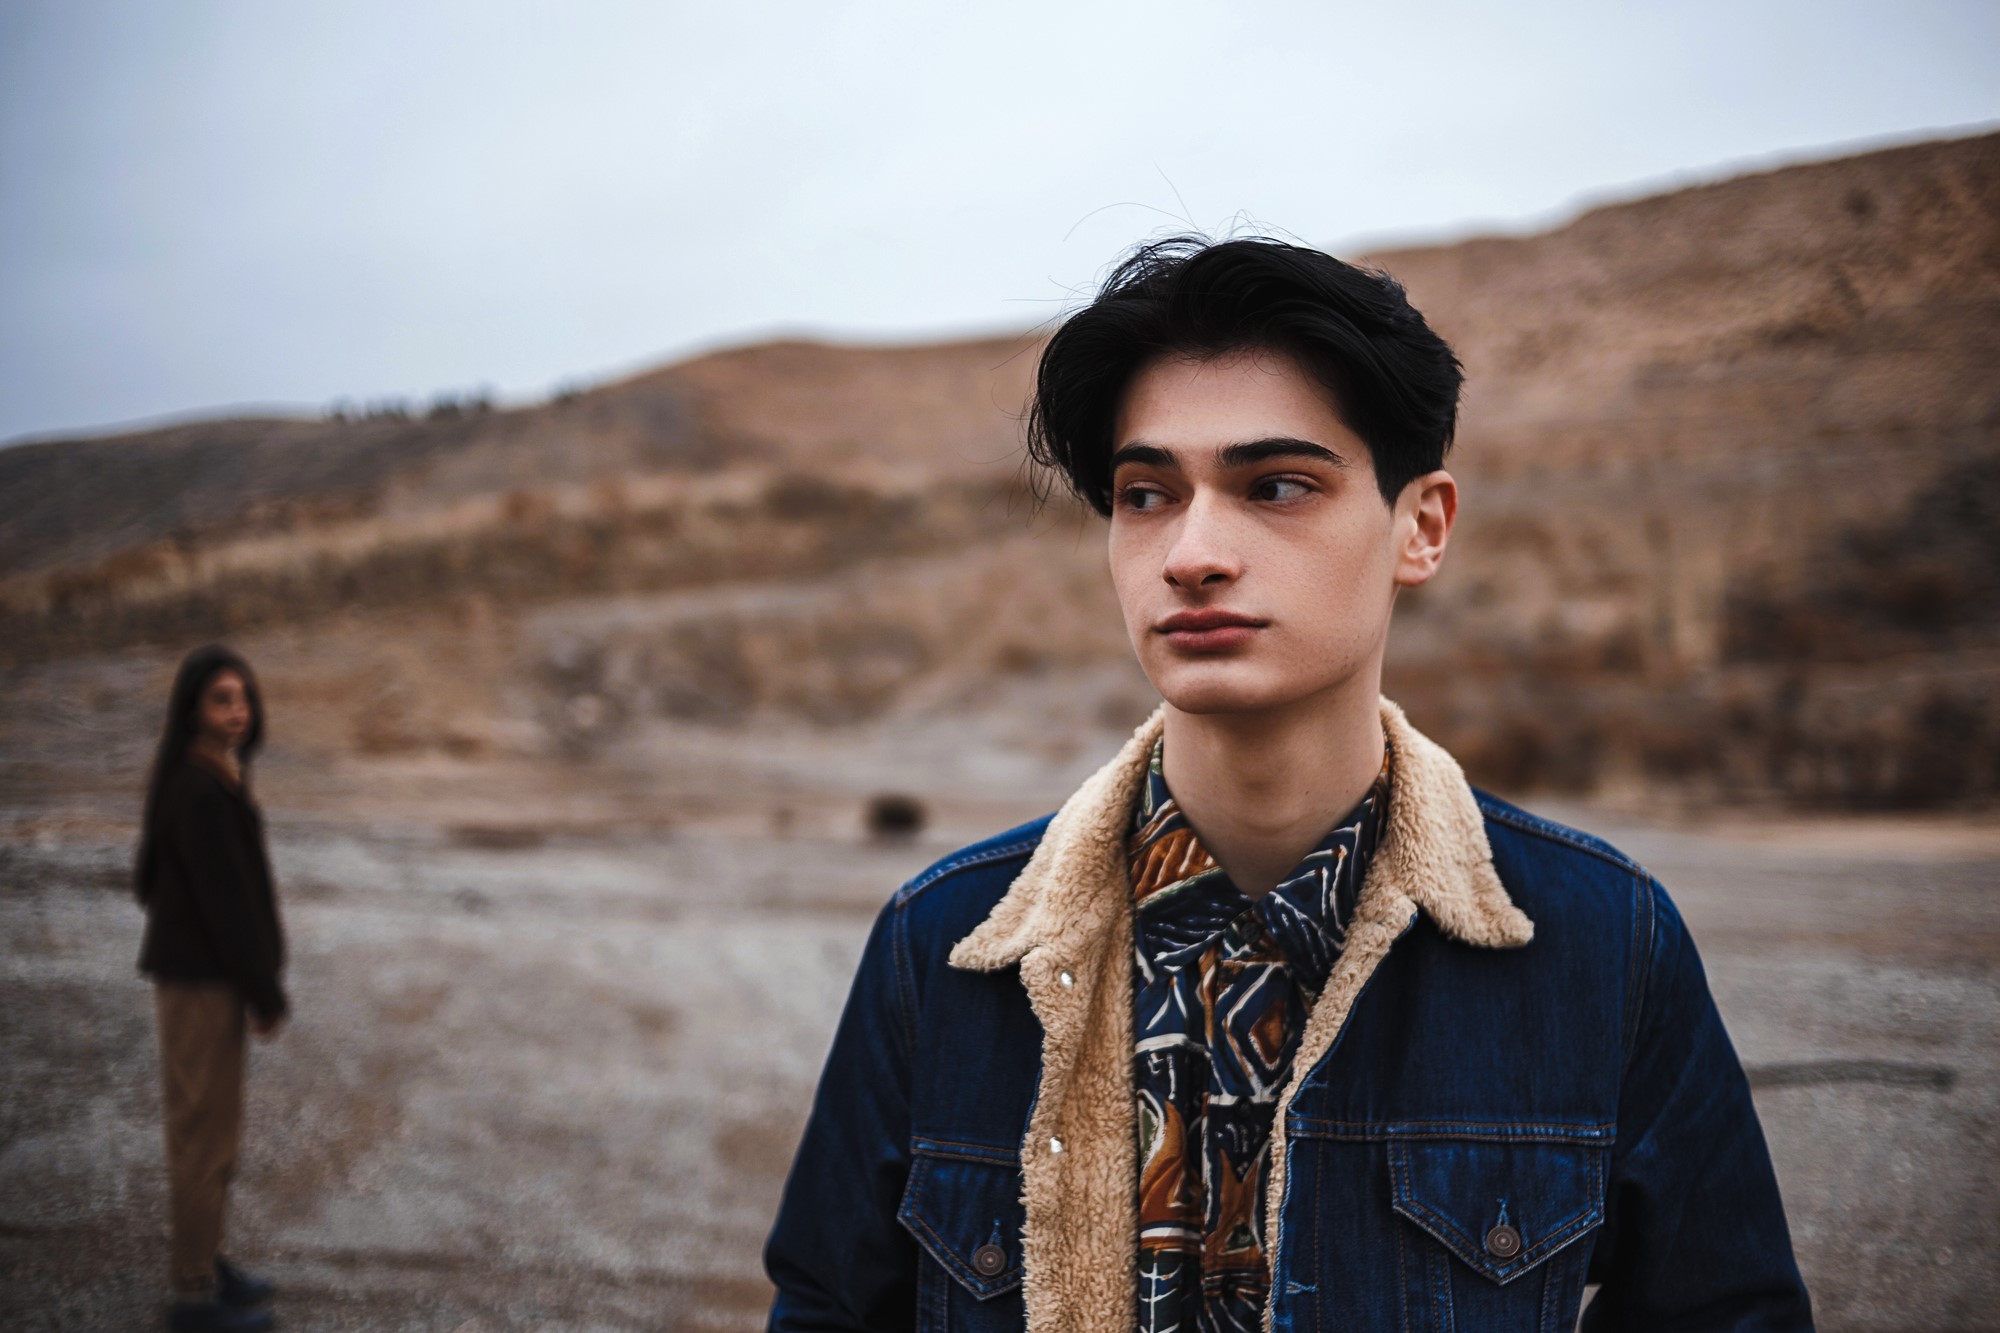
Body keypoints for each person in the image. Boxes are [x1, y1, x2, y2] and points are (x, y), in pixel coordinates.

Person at [763, 237, 1814, 1331]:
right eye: (1143, 493)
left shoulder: (1602, 941)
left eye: (1274, 484)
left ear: (1421, 526)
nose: (1192, 551)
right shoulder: (942, 945)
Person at [135, 644, 286, 1332]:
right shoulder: (196, 787)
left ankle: (208, 1258)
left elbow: (149, 880)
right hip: (202, 985)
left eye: (242, 698)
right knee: (201, 1139)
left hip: (205, 978)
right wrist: (264, 990)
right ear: (193, 708)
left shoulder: (205, 775)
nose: (237, 710)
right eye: (221, 698)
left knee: (214, 1135)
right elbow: (228, 903)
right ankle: (192, 1296)